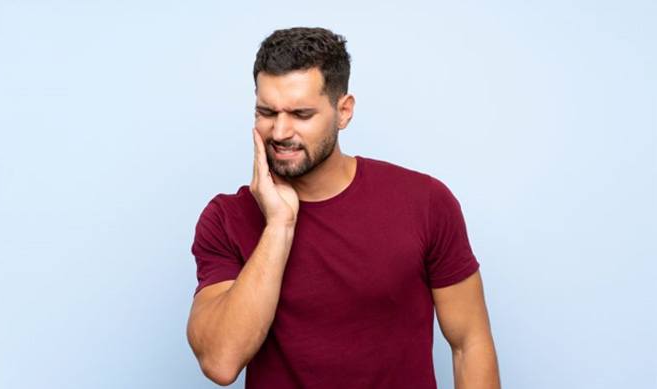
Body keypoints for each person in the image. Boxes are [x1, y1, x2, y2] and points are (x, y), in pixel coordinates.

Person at [186, 26, 500, 388]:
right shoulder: (226, 218)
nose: (280, 131)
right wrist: (278, 226)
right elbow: (220, 362)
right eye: (267, 112)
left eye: (301, 114)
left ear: (344, 111)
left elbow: (469, 343)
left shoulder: (424, 202)